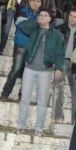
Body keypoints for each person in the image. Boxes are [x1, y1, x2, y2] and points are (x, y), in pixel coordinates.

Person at [16, 8, 64, 136]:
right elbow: (20, 26)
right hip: (29, 69)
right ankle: (20, 126)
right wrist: (35, 21)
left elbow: (60, 53)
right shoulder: (33, 29)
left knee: (42, 101)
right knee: (24, 98)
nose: (42, 17)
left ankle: (39, 129)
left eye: (45, 15)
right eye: (40, 15)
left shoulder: (57, 35)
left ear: (50, 18)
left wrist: (59, 68)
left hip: (46, 71)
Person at [0, 0, 42, 99]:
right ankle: (5, 94)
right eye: (33, 1)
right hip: (21, 45)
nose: (35, 3)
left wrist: (34, 23)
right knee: (16, 69)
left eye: (38, 1)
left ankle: (22, 96)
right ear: (29, 1)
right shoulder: (22, 12)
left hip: (34, 48)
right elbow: (23, 27)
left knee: (28, 73)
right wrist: (38, 23)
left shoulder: (42, 15)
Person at [54, 8, 76, 124]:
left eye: (75, 16)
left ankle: (75, 119)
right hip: (61, 61)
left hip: (75, 64)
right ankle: (58, 116)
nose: (72, 18)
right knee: (59, 89)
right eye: (71, 15)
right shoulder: (59, 29)